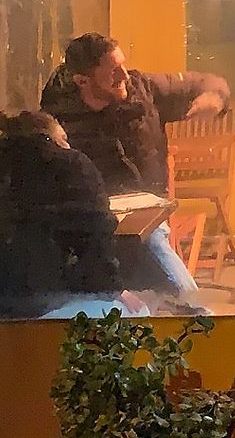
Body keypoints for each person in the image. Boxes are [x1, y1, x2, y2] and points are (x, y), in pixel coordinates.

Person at [41, 34, 230, 306]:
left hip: (149, 213)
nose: (125, 75)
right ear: (82, 81)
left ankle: (193, 311)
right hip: (94, 220)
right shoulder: (57, 116)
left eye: (123, 65)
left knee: (156, 255)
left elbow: (208, 82)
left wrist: (214, 96)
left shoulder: (143, 89)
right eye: (113, 72)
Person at [0, 111, 138, 320]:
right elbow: (95, 234)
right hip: (45, 299)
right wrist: (113, 289)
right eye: (64, 139)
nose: (68, 145)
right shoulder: (71, 164)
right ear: (53, 140)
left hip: (7, 296)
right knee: (139, 312)